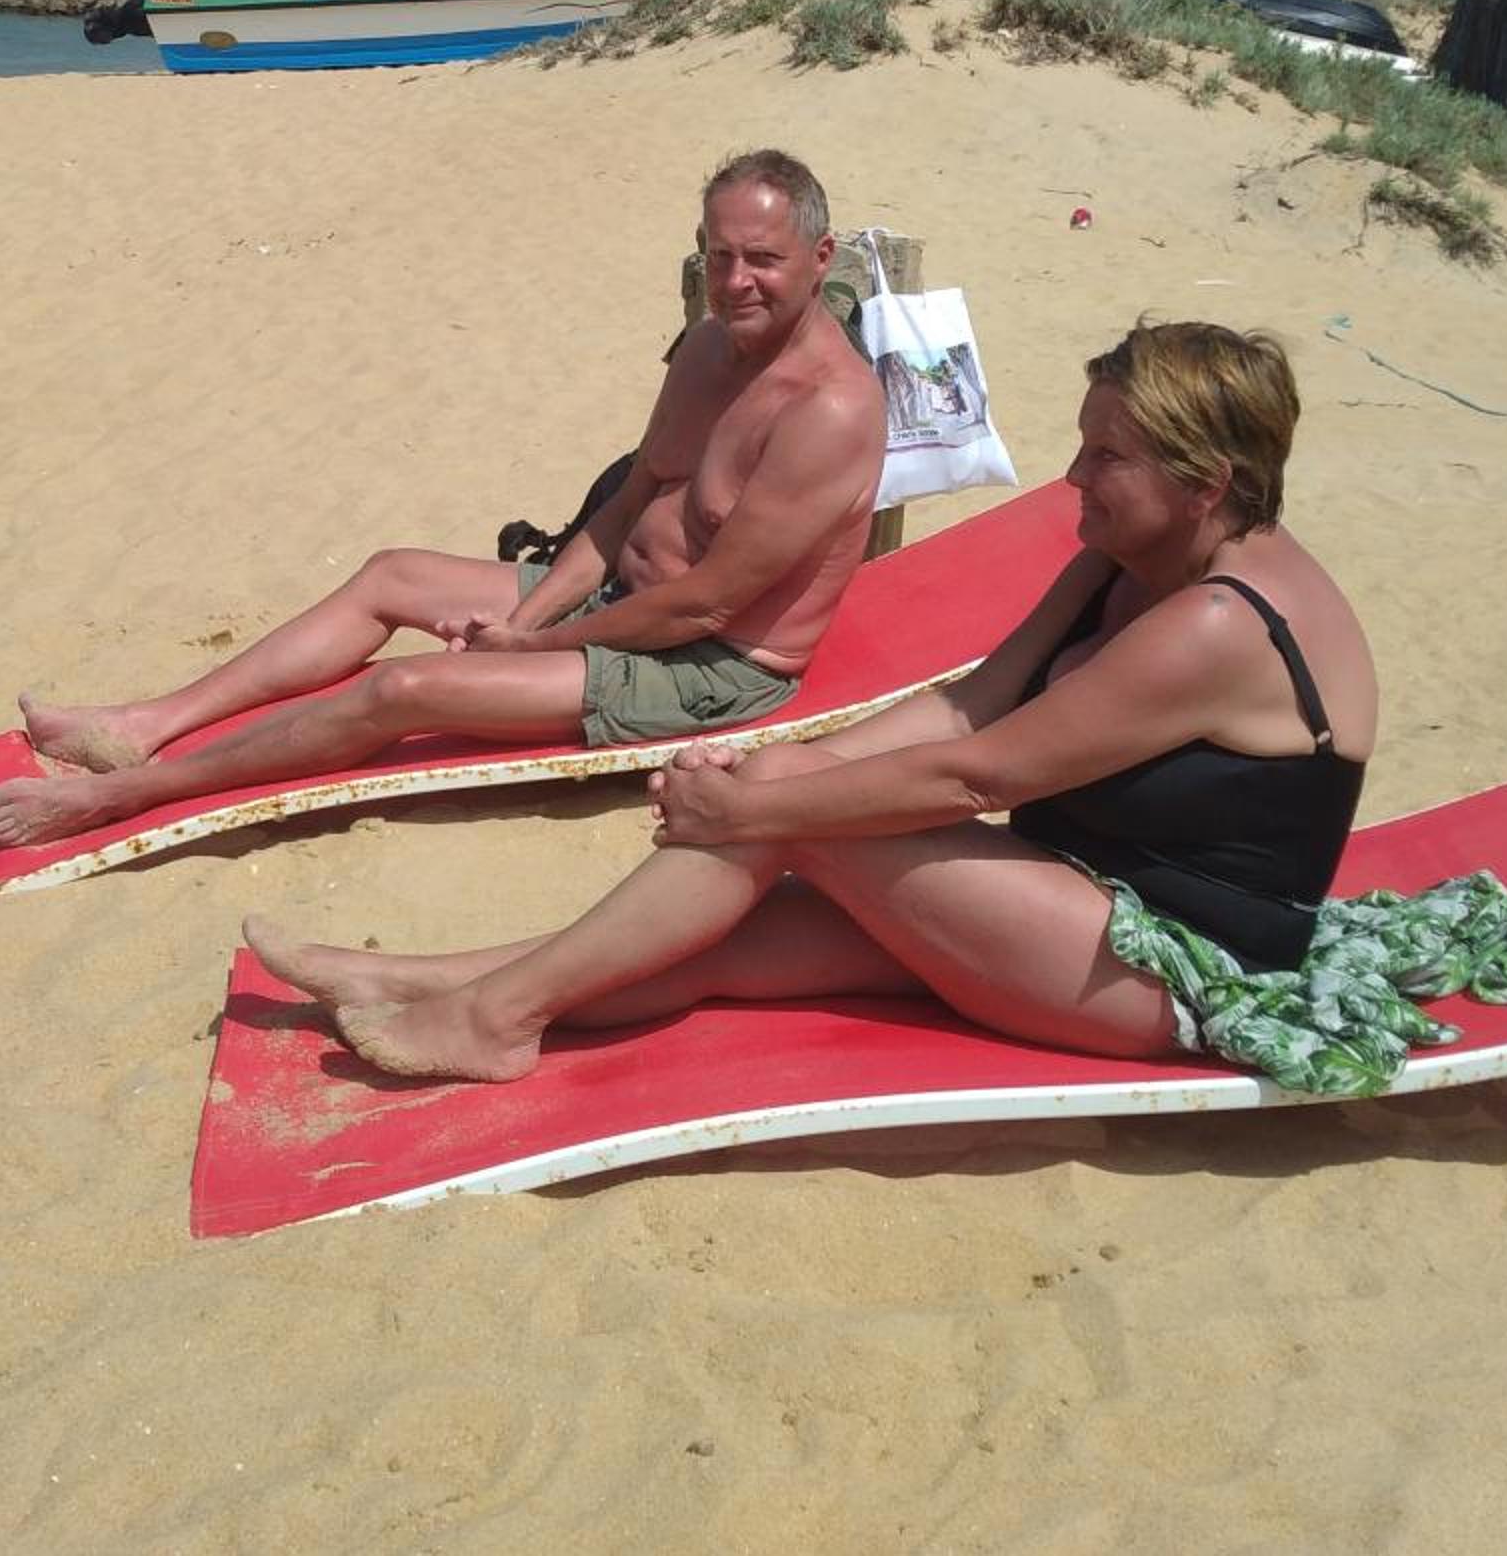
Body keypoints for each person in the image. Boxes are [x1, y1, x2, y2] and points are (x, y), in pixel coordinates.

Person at [244, 320, 1378, 1083]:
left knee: (782, 813)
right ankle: (419, 980)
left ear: (1205, 484)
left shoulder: (1218, 623)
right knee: (722, 940)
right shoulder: (1126, 558)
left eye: (1106, 457)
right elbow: (970, 707)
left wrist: (760, 802)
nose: (1074, 478)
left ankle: (494, 1022)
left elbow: (980, 775)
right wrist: (778, 774)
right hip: (1062, 903)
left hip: (1172, 970)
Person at [0, 149, 887, 847]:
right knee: (392, 576)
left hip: (708, 665)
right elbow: (628, 505)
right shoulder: (708, 348)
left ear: (819, 258)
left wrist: (533, 642)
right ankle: (145, 726)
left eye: (762, 259)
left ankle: (125, 793)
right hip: (623, 602)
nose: (735, 282)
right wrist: (530, 617)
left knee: (403, 689)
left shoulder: (829, 410)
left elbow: (708, 602)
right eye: (719, 256)